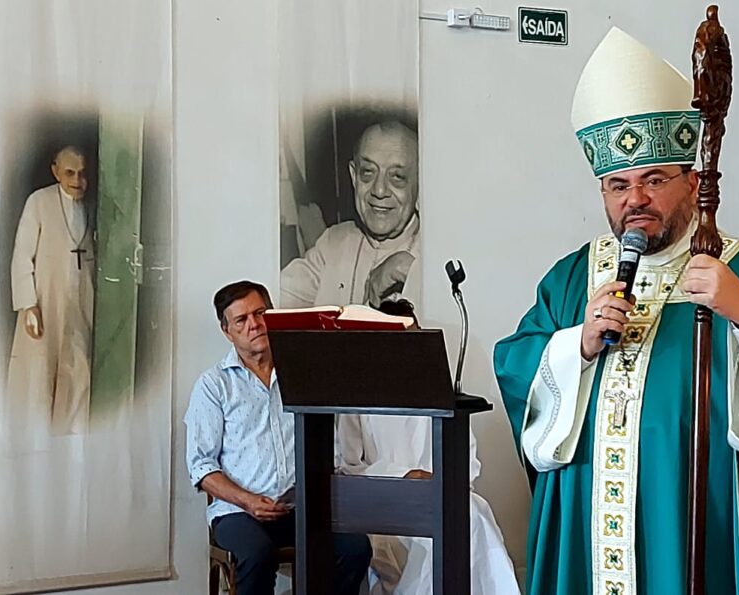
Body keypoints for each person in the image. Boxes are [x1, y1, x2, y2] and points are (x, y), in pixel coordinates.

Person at [493, 27, 739, 594]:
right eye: (617, 185)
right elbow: (515, 365)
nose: (635, 200)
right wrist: (574, 344)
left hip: (693, 508)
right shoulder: (574, 277)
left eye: (654, 179)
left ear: (693, 180)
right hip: (589, 508)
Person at [185, 281, 372, 595]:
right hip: (238, 513)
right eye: (241, 320)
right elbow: (200, 467)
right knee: (257, 553)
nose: (254, 325)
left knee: (355, 547)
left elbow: (331, 451)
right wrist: (248, 501)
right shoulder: (213, 385)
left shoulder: (304, 374)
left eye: (260, 313)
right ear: (227, 331)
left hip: (297, 509)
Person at [335, 299, 520, 595]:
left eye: (415, 335)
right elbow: (350, 466)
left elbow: (467, 462)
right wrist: (405, 476)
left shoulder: (439, 390)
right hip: (384, 501)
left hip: (439, 494)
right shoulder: (356, 395)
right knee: (458, 521)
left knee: (468, 513)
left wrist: (436, 481)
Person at [6, 144, 95, 441]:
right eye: (70, 172)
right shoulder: (39, 202)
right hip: (45, 299)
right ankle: (36, 438)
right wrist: (28, 305)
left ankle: (70, 435)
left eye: (82, 173)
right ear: (55, 171)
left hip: (80, 299)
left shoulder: (92, 205)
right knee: (40, 369)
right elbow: (22, 255)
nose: (77, 180)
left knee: (77, 365)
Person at [281, 121, 420, 309]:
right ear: (354, 176)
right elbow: (269, 301)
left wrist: (411, 270)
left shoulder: (439, 252)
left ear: (420, 182)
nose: (379, 190)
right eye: (368, 172)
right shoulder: (333, 243)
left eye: (397, 177)